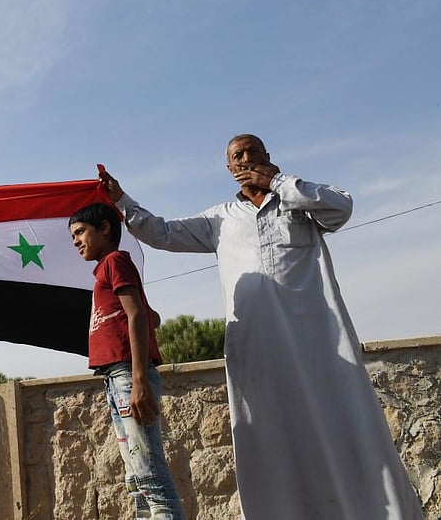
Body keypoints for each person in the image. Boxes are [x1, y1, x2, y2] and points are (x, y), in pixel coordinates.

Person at [100, 134, 423, 519]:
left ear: (268, 158)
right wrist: (121, 200)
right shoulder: (219, 219)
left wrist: (279, 182)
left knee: (343, 425)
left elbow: (341, 207)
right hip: (257, 350)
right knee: (271, 440)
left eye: (254, 152)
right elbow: (162, 232)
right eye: (238, 156)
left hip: (319, 344)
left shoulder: (298, 203)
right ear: (230, 169)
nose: (247, 159)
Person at [69, 203, 185, 519]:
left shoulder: (115, 261)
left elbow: (136, 315)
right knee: (135, 477)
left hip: (126, 374)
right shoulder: (106, 270)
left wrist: (139, 380)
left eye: (80, 232)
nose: (76, 241)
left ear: (105, 228)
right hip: (113, 376)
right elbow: (150, 317)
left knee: (149, 472)